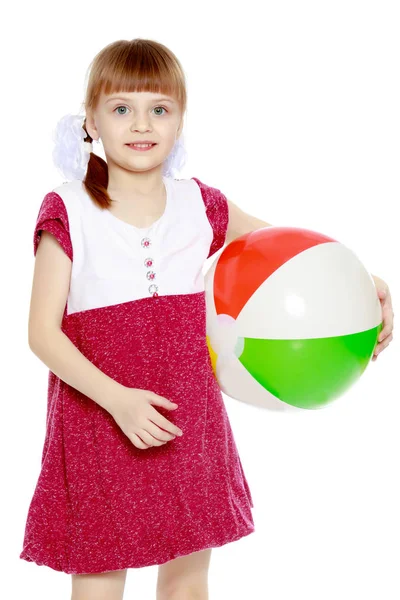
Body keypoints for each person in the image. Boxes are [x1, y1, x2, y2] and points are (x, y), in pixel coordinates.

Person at [19, 38, 260, 600]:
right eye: (121, 108)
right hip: (99, 426)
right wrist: (119, 400)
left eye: (159, 108)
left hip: (186, 424)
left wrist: (361, 279)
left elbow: (284, 246)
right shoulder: (69, 207)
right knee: (100, 581)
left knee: (186, 580)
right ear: (92, 121)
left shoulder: (201, 205)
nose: (140, 123)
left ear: (179, 119)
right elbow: (41, 333)